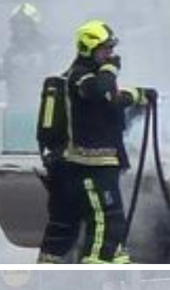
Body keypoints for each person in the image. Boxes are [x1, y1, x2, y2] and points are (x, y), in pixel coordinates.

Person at [60, 20, 155, 264]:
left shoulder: (98, 77)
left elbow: (111, 100)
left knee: (115, 222)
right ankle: (96, 269)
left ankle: (117, 264)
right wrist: (111, 70)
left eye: (111, 49)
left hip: (106, 162)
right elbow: (98, 92)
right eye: (105, 49)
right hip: (89, 165)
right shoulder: (79, 77)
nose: (111, 54)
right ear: (88, 48)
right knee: (103, 221)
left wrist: (138, 95)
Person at [0, 3, 49, 108]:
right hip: (17, 106)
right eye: (16, 24)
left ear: (33, 26)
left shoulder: (47, 50)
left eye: (24, 24)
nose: (20, 28)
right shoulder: (10, 53)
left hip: (41, 106)